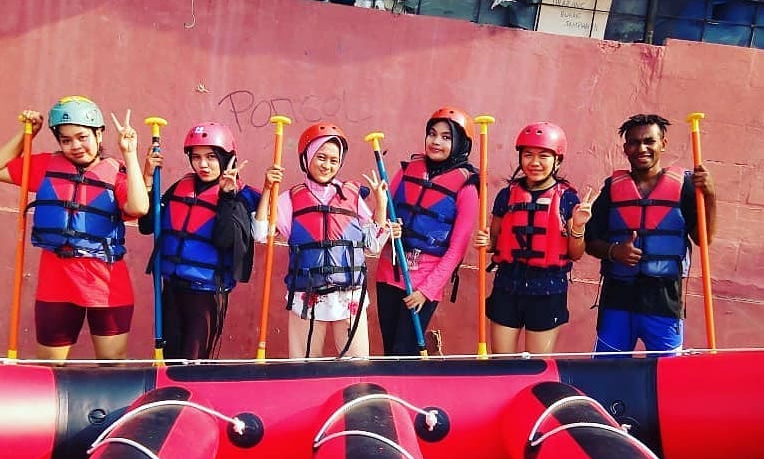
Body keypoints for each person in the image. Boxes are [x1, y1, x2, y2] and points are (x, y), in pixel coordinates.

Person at [0, 96, 149, 362]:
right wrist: (28, 134)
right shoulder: (46, 167)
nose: (75, 146)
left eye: (82, 137)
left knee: (112, 364)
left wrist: (130, 154)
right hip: (56, 279)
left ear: (99, 134)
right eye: (66, 140)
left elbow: (140, 207)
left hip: (106, 281)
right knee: (50, 365)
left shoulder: (116, 174)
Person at [254, 122, 389, 358]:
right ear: (306, 158)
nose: (327, 165)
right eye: (321, 157)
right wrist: (267, 189)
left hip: (349, 296)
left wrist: (381, 204)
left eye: (334, 160)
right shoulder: (289, 199)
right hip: (307, 295)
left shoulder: (352, 196)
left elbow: (374, 244)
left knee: (357, 366)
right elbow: (260, 232)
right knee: (303, 367)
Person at [584, 113, 716, 355]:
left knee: (667, 372)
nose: (641, 148)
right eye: (634, 142)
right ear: (625, 148)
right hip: (617, 300)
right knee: (606, 370)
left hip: (664, 302)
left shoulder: (685, 187)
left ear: (663, 144)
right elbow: (590, 241)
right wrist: (614, 251)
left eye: (649, 141)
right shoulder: (611, 189)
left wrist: (710, 196)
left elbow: (703, 239)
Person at [139, 121, 260, 360]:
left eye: (211, 157)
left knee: (194, 361)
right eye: (196, 157)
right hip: (171, 288)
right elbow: (146, 225)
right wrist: (149, 178)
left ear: (227, 158)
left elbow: (225, 240)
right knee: (170, 358)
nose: (202, 164)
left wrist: (227, 197)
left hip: (206, 293)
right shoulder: (180, 187)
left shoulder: (240, 195)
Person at [475, 122, 595, 355]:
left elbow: (575, 253)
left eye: (543, 156)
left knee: (537, 364)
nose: (535, 162)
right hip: (507, 285)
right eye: (528, 155)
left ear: (557, 161)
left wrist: (579, 226)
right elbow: (494, 240)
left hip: (548, 289)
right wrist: (486, 243)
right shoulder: (506, 195)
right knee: (502, 361)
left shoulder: (568, 199)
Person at [375, 106, 479, 356]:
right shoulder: (408, 170)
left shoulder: (467, 187)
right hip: (389, 272)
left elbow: (457, 249)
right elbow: (383, 217)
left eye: (446, 137)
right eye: (432, 134)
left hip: (423, 282)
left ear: (461, 144)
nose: (436, 141)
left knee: (406, 352)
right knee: (390, 352)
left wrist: (427, 291)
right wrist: (389, 226)